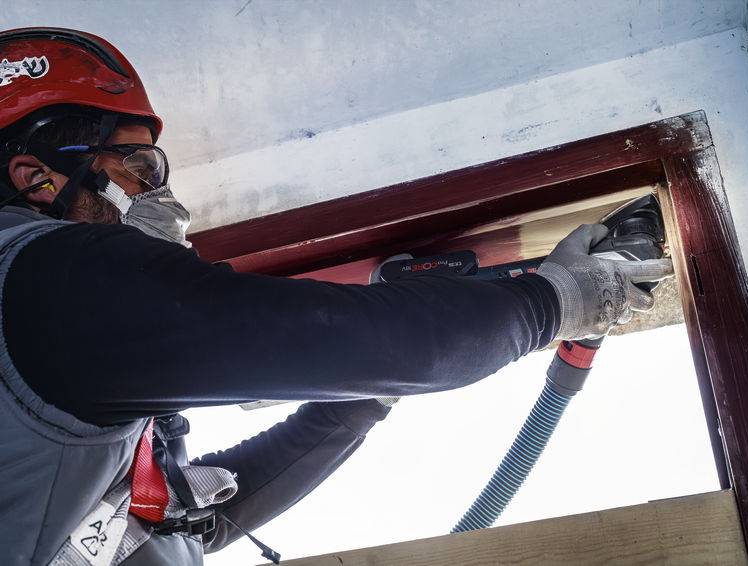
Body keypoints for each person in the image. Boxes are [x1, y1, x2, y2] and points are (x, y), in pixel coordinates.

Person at [0, 28, 673, 566]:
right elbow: (371, 344)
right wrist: (558, 301)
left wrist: (361, 401)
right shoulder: (48, 287)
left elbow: (176, 525)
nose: (158, 197)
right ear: (37, 179)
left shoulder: (57, 364)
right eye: (140, 169)